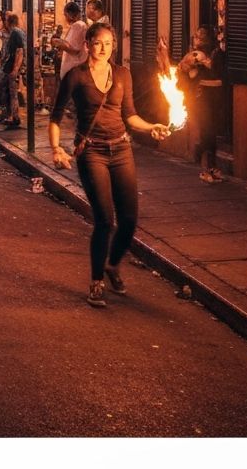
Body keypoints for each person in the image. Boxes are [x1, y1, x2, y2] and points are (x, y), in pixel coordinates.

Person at [50, 22, 170, 307]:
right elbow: (55, 117)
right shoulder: (76, 77)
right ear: (88, 44)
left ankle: (113, 265)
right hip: (92, 153)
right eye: (99, 43)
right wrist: (56, 149)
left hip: (121, 149)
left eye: (109, 43)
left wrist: (150, 126)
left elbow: (130, 115)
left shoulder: (122, 75)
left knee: (129, 220)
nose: (104, 48)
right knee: (105, 220)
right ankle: (96, 281)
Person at [178, 25, 226, 184]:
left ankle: (212, 167)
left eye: (202, 37)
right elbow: (186, 74)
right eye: (197, 36)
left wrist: (206, 62)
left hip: (215, 98)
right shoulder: (192, 55)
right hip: (200, 99)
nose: (199, 39)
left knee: (212, 133)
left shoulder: (216, 54)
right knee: (206, 132)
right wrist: (191, 65)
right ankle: (205, 168)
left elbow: (219, 74)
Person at [0, 12, 26, 129]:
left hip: (12, 68)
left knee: (12, 93)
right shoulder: (18, 32)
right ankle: (12, 116)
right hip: (11, 67)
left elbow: (19, 51)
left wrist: (15, 69)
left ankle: (14, 117)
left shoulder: (15, 33)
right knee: (10, 93)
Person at [52, 1, 88, 81]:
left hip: (73, 72)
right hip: (72, 72)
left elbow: (74, 49)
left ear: (68, 14)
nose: (65, 18)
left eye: (65, 15)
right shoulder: (77, 26)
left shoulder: (78, 25)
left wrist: (59, 43)